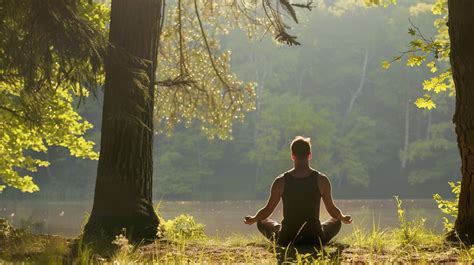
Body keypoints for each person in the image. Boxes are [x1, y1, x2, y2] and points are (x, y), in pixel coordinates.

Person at [244, 136, 352, 247]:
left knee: (261, 221)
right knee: (336, 220)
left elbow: (267, 210)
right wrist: (343, 218)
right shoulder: (322, 180)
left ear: (292, 156)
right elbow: (331, 210)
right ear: (309, 155)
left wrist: (253, 219)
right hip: (315, 238)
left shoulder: (280, 181)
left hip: (287, 239)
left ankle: (282, 233)